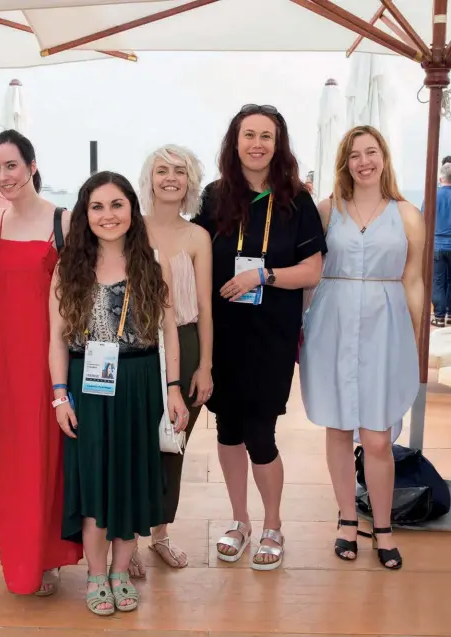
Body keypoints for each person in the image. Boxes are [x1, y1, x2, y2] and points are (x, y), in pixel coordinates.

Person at [49, 171, 188, 615]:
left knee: (129, 478)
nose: (108, 215)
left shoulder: (152, 260)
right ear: (84, 214)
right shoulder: (67, 265)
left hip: (139, 382)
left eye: (116, 205)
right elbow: (55, 337)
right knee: (93, 480)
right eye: (97, 207)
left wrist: (173, 389)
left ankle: (120, 571)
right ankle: (94, 574)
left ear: (132, 208)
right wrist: (58, 396)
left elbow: (169, 329)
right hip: (85, 384)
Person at [193, 104, 326, 570]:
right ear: (235, 142)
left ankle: (273, 524)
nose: (256, 144)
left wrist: (262, 276)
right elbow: (192, 256)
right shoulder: (213, 198)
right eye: (248, 134)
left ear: (278, 143)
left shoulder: (296, 201)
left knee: (260, 434)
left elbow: (312, 271)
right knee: (227, 430)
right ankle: (239, 520)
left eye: (265, 136)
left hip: (270, 336)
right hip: (222, 335)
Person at [300, 125, 424, 570]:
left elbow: (413, 280)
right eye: (355, 155)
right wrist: (303, 328)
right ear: (345, 162)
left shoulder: (408, 214)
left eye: (371, 152)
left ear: (384, 158)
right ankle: (347, 520)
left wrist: (414, 340)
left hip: (386, 327)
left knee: (377, 436)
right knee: (337, 426)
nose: (364, 161)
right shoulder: (326, 210)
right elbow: (309, 275)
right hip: (331, 322)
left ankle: (384, 526)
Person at [0, 130, 83, 595]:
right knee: (6, 458)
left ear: (32, 166)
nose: (3, 176)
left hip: (46, 354)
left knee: (46, 456)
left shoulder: (65, 219)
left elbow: (82, 287)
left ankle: (48, 555)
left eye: (11, 165)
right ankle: (18, 558)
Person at [127, 144, 212, 577]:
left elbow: (204, 307)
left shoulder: (198, 237)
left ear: (190, 180)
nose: (171, 178)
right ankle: (130, 542)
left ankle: (160, 534)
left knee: (172, 443)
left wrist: (205, 365)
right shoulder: (129, 229)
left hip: (188, 342)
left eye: (180, 171)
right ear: (150, 178)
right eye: (162, 170)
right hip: (138, 348)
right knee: (135, 443)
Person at [431, 162, 451, 326]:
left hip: (437, 245)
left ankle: (438, 317)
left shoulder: (432, 196)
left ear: (440, 179)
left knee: (438, 281)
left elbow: (423, 221)